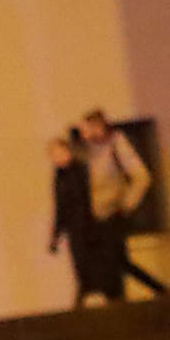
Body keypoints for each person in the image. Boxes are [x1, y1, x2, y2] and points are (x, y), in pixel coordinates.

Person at [79, 108, 170, 298]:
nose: (86, 133)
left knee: (113, 260)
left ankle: (158, 291)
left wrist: (127, 204)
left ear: (99, 126)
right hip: (99, 216)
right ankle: (157, 290)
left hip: (115, 213)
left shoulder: (116, 145)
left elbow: (141, 177)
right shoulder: (89, 152)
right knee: (116, 261)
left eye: (89, 128)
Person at [48, 131, 119, 306]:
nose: (57, 158)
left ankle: (89, 300)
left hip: (88, 225)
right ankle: (85, 300)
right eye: (53, 155)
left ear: (67, 151)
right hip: (74, 227)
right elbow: (60, 207)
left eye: (59, 153)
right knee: (81, 266)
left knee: (91, 265)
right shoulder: (59, 176)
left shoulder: (80, 170)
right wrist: (56, 236)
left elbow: (88, 197)